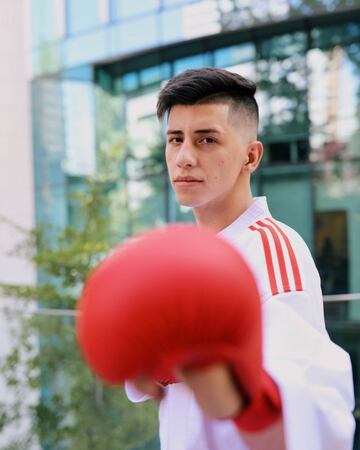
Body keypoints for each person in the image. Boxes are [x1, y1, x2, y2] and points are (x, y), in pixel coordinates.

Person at [125, 67, 355, 450]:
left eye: (206, 140)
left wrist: (226, 378)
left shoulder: (272, 249)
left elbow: (317, 409)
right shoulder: (178, 258)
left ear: (251, 156)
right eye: (175, 139)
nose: (183, 157)